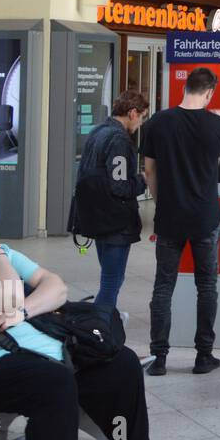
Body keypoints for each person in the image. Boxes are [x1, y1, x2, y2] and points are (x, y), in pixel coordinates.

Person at [0, 190, 178, 440]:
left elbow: (55, 286)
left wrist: (23, 312)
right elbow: (8, 296)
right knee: (52, 383)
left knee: (121, 364)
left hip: (21, 356)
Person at [141, 66, 220, 376]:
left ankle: (158, 358)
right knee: (207, 287)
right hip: (205, 218)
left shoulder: (157, 123)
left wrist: (161, 204)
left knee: (163, 287)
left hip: (170, 217)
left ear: (185, 88)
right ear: (210, 92)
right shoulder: (216, 124)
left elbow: (149, 171)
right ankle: (204, 355)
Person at [74, 89, 149, 308]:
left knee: (109, 276)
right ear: (133, 113)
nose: (141, 123)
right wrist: (143, 179)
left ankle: (103, 320)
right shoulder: (119, 140)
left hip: (96, 217)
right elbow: (120, 185)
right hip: (115, 221)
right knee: (112, 281)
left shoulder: (98, 132)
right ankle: (101, 325)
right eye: (142, 117)